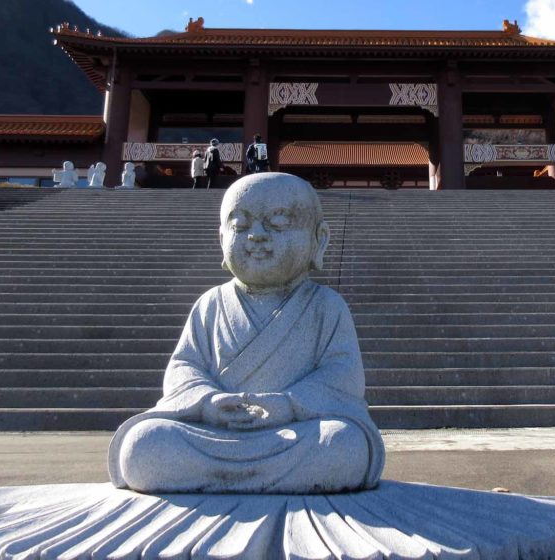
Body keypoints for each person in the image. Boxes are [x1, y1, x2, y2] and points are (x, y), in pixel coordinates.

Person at [107, 173, 385, 494]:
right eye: (240, 225)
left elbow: (344, 374)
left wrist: (289, 405)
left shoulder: (326, 306)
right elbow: (184, 367)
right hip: (216, 433)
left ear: (318, 239)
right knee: (146, 445)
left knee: (343, 444)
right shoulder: (209, 304)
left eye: (278, 223)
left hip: (294, 432)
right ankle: (263, 478)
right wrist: (207, 403)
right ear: (221, 239)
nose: (257, 236)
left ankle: (217, 478)